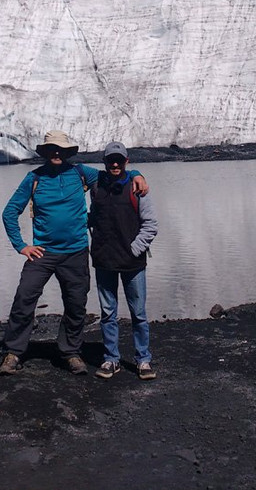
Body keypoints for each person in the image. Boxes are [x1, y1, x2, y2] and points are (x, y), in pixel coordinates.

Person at [0, 130, 147, 377]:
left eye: (61, 150)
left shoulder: (80, 173)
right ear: (45, 153)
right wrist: (22, 246)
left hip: (76, 252)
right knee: (24, 298)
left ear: (68, 153)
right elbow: (10, 212)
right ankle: (14, 352)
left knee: (76, 304)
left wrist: (137, 174)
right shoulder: (33, 178)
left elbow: (112, 174)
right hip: (42, 253)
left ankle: (70, 352)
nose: (57, 153)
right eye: (52, 149)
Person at [88, 142, 158, 381]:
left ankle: (143, 359)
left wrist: (133, 250)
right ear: (105, 162)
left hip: (132, 262)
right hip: (104, 260)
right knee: (108, 313)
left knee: (138, 313)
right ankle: (111, 359)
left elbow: (150, 226)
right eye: (110, 160)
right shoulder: (96, 187)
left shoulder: (138, 189)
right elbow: (95, 217)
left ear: (127, 161)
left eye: (119, 160)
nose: (115, 164)